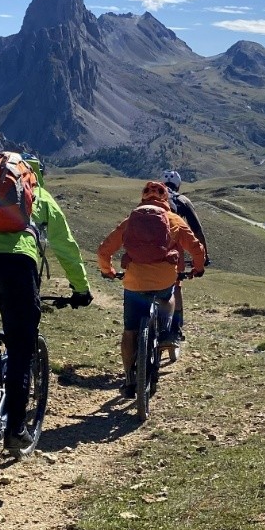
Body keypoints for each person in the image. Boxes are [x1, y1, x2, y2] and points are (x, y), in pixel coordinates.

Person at [0, 153, 92, 449]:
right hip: (18, 269)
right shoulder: (40, 197)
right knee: (21, 347)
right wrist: (80, 288)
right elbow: (66, 246)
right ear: (32, 174)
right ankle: (15, 428)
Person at [97, 181, 205, 398]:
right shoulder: (173, 219)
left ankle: (129, 378)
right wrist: (198, 269)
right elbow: (196, 248)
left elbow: (103, 250)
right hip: (164, 279)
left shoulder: (131, 221)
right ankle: (165, 331)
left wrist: (108, 271)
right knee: (171, 292)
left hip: (134, 282)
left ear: (143, 199)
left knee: (129, 331)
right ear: (165, 199)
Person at [160, 169, 209, 344]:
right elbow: (197, 230)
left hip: (143, 255)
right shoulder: (182, 201)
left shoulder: (148, 201)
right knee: (175, 287)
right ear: (178, 185)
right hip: (173, 255)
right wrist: (204, 257)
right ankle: (175, 330)